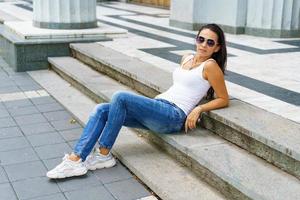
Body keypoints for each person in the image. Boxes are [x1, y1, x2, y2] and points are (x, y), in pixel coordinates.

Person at [46, 23, 229, 179]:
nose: (204, 45)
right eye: (201, 39)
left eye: (210, 42)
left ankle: (103, 154)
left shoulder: (211, 66)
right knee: (102, 109)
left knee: (120, 97)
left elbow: (223, 99)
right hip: (158, 109)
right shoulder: (187, 57)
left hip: (173, 116)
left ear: (217, 47)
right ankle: (76, 159)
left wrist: (198, 109)